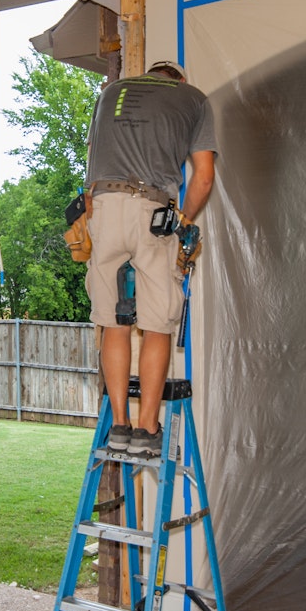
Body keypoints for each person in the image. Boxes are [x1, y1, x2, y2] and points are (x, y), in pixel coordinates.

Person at [84, 59, 216, 456]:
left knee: (113, 322)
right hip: (152, 209)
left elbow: (91, 159)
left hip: (103, 207)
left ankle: (120, 425)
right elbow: (204, 176)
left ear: (151, 74)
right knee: (157, 323)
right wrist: (185, 219)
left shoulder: (110, 93)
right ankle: (147, 430)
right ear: (179, 79)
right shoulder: (194, 99)